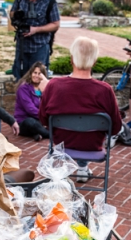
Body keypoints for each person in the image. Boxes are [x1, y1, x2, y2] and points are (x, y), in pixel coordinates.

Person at [39, 37, 122, 182]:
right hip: (92, 148)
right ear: (94, 61)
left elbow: (43, 119)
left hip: (63, 147)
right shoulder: (105, 90)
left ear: (71, 59)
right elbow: (115, 128)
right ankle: (83, 167)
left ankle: (72, 169)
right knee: (87, 133)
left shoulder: (53, 85)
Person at [10, 0, 60, 80]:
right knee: (20, 78)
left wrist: (35, 29)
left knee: (38, 79)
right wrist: (17, 17)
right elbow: (12, 14)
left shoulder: (49, 1)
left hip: (39, 46)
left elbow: (55, 24)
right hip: (22, 45)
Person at [14, 62, 49, 141]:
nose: (36, 76)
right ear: (31, 73)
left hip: (39, 119)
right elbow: (30, 109)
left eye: (39, 73)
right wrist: (45, 118)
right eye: (35, 72)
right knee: (31, 122)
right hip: (24, 121)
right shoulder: (23, 88)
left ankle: (37, 134)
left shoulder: (44, 88)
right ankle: (49, 135)